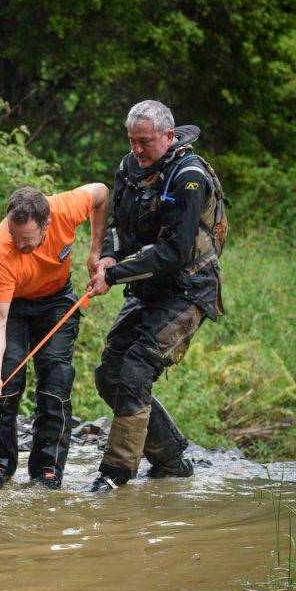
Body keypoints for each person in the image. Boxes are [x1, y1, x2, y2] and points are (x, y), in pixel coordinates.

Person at [84, 99, 226, 492]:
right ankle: (172, 462)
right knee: (110, 372)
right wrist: (109, 255)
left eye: (145, 142)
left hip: (188, 289)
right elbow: (118, 224)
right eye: (132, 141)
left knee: (134, 372)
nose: (137, 150)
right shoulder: (129, 168)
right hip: (147, 286)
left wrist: (113, 276)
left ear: (168, 136)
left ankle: (115, 475)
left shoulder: (189, 177)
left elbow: (175, 252)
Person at [0, 183, 108, 489]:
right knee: (6, 382)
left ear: (47, 225)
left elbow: (101, 193)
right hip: (14, 307)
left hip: (56, 300)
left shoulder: (65, 208)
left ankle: (47, 469)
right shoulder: (3, 249)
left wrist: (96, 251)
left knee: (56, 381)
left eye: (26, 239)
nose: (18, 243)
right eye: (14, 234)